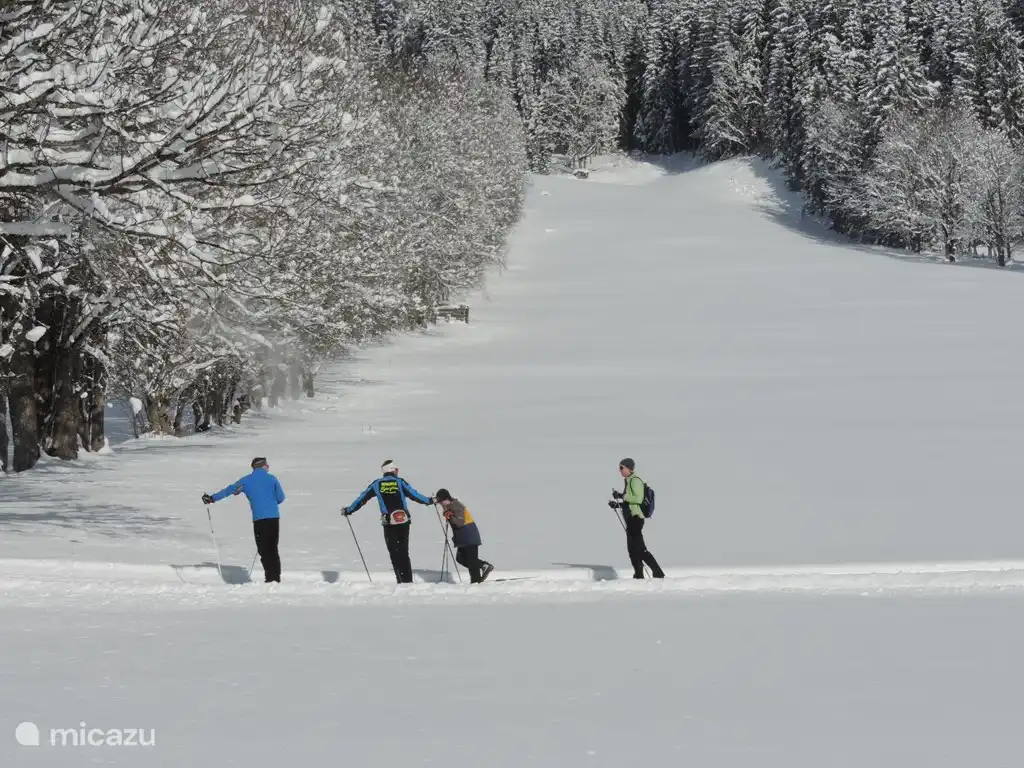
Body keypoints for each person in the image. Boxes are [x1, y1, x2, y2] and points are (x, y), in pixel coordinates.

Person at [342, 460, 433, 584]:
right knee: (404, 551)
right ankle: (408, 581)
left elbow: (362, 498)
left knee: (393, 552)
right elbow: (414, 495)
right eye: (396, 469)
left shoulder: (376, 484)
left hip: (389, 522)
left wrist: (349, 510)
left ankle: (400, 581)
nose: (397, 471)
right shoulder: (400, 482)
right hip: (404, 521)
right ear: (391, 470)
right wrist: (429, 501)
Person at [203, 457, 286, 583]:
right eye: (267, 464)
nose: (268, 466)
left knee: (263, 549)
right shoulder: (272, 479)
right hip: (274, 518)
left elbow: (229, 490)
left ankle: (270, 579)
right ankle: (274, 579)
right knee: (272, 548)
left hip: (259, 520)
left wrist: (212, 498)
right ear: (263, 466)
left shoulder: (246, 481)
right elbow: (281, 498)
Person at [609, 458, 664, 579]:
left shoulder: (635, 481)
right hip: (630, 519)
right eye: (620, 468)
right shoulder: (629, 481)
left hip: (636, 519)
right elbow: (629, 503)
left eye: (622, 468)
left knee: (639, 549)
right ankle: (639, 575)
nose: (620, 470)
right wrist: (617, 504)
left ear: (629, 468)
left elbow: (638, 499)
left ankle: (658, 573)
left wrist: (622, 496)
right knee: (632, 550)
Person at [436, 488, 493, 584]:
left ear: (446, 499)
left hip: (469, 536)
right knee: (461, 559)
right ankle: (482, 567)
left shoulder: (455, 505)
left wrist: (449, 516)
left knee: (471, 561)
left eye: (441, 502)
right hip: (464, 538)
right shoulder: (450, 506)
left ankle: (476, 582)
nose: (441, 504)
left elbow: (459, 522)